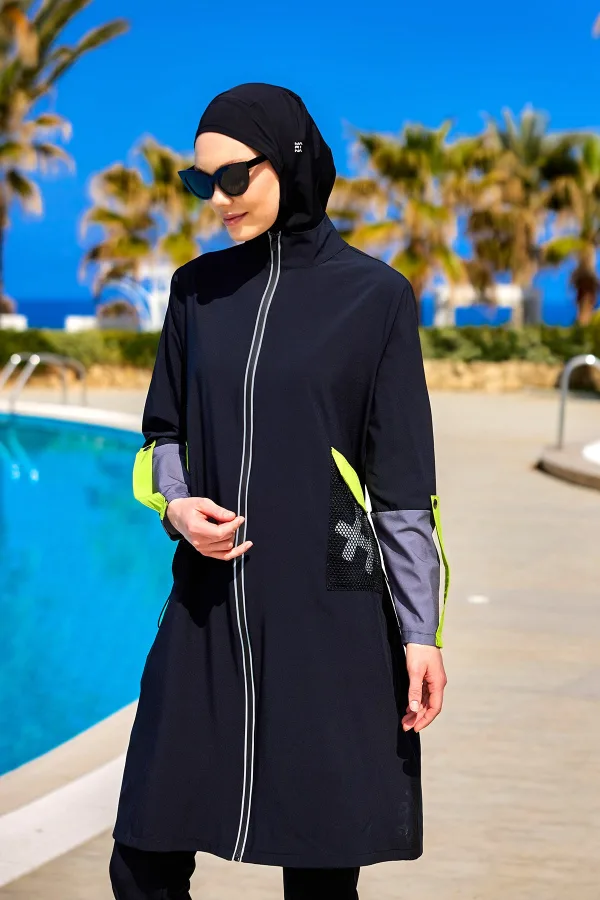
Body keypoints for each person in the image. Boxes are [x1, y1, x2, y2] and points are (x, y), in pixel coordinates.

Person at [109, 82, 450, 900]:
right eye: (202, 181)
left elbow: (403, 487)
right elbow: (163, 435)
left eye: (235, 177)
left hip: (330, 613)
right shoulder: (195, 291)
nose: (217, 199)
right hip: (206, 605)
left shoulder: (376, 297)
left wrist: (421, 632)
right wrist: (176, 506)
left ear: (291, 163)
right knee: (144, 856)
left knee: (321, 871)